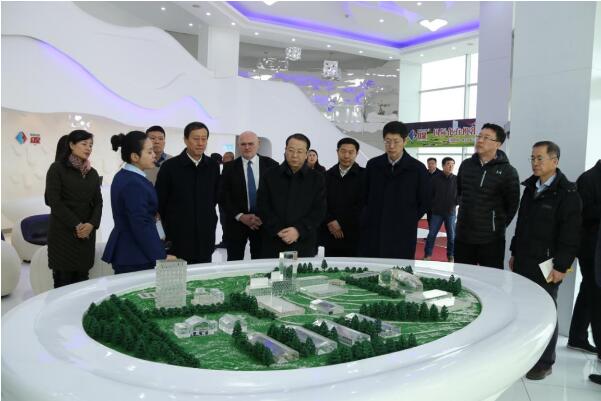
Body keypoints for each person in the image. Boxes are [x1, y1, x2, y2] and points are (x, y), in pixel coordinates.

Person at [509, 141, 582, 381]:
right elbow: (521, 224)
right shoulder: (530, 188)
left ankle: (544, 362)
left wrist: (562, 266)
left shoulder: (568, 193)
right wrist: (514, 252)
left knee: (546, 310)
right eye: (532, 158)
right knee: (524, 309)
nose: (535, 163)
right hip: (524, 260)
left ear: (555, 161)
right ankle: (526, 354)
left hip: (548, 265)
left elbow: (571, 234)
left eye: (540, 158)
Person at [102, 131, 174, 273]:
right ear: (135, 157)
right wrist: (160, 256)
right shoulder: (133, 183)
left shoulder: (125, 175)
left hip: (132, 251)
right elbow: (140, 224)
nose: (154, 155)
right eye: (149, 152)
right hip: (135, 254)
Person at [360, 121, 430, 259]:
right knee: (375, 265)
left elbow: (425, 200)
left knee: (400, 266)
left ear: (404, 141)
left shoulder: (417, 168)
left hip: (403, 229)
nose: (391, 146)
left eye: (396, 141)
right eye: (387, 141)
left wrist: (409, 217)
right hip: (376, 227)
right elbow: (364, 195)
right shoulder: (373, 165)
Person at [455, 123, 520, 269]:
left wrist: (495, 225)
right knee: (462, 276)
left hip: (491, 240)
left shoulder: (508, 171)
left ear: (498, 144)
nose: (480, 140)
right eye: (479, 136)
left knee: (491, 278)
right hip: (463, 236)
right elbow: (460, 193)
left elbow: (512, 205)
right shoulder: (466, 165)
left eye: (486, 137)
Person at [155, 122, 220, 264]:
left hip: (205, 235)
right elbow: (160, 201)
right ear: (185, 140)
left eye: (204, 139)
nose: (200, 143)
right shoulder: (170, 167)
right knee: (177, 276)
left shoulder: (212, 166)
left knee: (203, 274)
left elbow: (215, 197)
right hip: (178, 237)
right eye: (196, 139)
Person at [45, 130, 102, 288]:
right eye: (84, 144)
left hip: (86, 236)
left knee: (83, 282)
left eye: (91, 145)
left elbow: (98, 202)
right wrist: (77, 225)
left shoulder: (92, 173)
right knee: (63, 283)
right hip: (63, 234)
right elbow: (54, 202)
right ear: (71, 145)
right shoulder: (57, 169)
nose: (88, 148)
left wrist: (91, 224)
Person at [256, 133, 326, 257]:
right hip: (273, 239)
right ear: (285, 150)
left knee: (301, 270)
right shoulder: (270, 175)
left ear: (306, 154)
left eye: (300, 151)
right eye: (291, 150)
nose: (294, 155)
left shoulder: (317, 178)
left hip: (303, 241)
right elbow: (262, 205)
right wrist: (278, 229)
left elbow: (319, 210)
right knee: (273, 269)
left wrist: (298, 230)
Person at [219, 131, 278, 260]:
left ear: (258, 144)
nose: (247, 147)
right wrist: (240, 216)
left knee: (261, 262)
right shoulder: (229, 168)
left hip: (263, 223)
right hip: (236, 223)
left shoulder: (272, 166)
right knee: (234, 261)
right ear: (238, 145)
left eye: (251, 144)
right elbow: (223, 196)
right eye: (243, 144)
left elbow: (276, 196)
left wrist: (264, 216)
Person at [568, 160, 601, 359]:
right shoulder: (589, 179)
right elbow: (582, 213)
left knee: (588, 291)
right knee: (594, 293)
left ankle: (577, 336)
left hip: (595, 246)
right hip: (590, 247)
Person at [322, 138, 365, 257]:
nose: (346, 155)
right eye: (343, 151)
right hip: (330, 234)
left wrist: (341, 223)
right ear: (337, 152)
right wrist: (330, 221)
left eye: (351, 152)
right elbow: (320, 202)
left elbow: (363, 204)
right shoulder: (326, 176)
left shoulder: (364, 176)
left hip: (355, 235)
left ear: (357, 153)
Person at [424, 157, 457, 262]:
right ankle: (428, 255)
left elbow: (461, 194)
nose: (451, 166)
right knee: (431, 234)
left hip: (450, 212)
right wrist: (433, 205)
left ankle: (450, 255)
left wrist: (456, 202)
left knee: (451, 236)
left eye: (452, 164)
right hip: (437, 212)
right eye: (448, 164)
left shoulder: (457, 180)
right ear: (443, 166)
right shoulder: (435, 179)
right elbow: (429, 194)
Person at [426, 157, 442, 224]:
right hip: (428, 200)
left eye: (432, 163)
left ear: (436, 164)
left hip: (438, 201)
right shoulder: (424, 173)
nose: (430, 165)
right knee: (429, 219)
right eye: (429, 163)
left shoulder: (441, 174)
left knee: (437, 220)